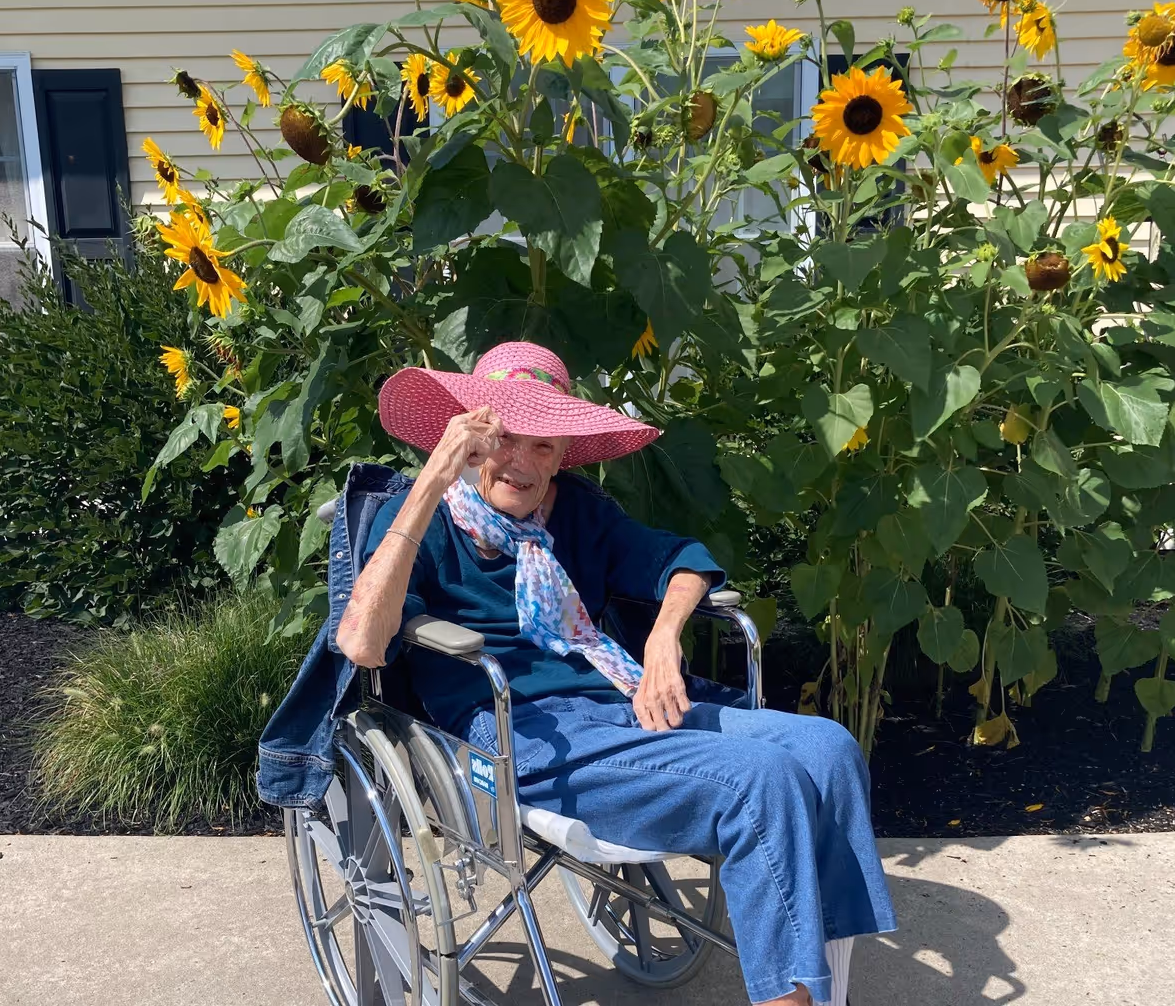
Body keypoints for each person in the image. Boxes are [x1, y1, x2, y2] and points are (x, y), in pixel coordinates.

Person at [331, 341, 896, 1006]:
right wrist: (431, 478)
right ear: (472, 434)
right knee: (760, 783)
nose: (524, 461)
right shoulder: (422, 522)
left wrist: (661, 639)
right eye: (507, 436)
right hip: (517, 733)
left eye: (545, 447)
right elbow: (363, 642)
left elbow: (683, 560)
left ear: (563, 455)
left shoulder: (573, 510)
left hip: (616, 697)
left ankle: (824, 988)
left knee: (829, 748)